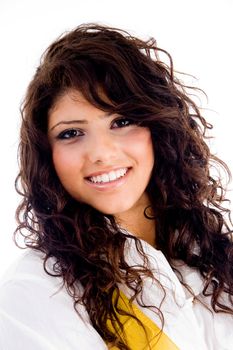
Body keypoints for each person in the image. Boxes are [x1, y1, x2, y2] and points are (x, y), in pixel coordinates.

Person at [0, 23, 233, 350]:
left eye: (121, 122)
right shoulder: (31, 295)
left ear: (159, 128)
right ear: (46, 154)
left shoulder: (215, 255)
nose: (101, 153)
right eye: (71, 133)